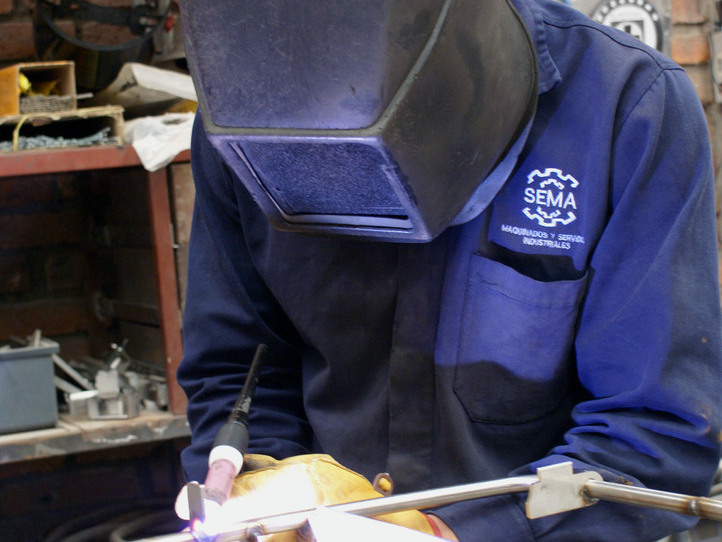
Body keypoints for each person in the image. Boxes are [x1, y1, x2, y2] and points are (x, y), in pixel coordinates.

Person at [175, 0, 722, 540]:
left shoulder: (627, 105)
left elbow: (657, 431)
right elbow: (237, 370)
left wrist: (452, 534)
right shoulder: (244, 120)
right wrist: (261, 495)